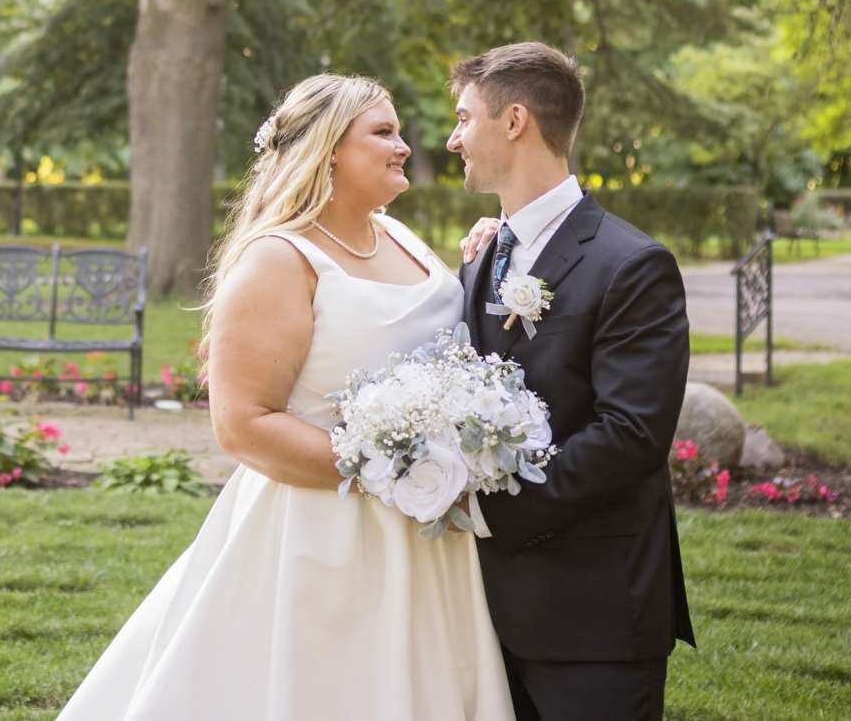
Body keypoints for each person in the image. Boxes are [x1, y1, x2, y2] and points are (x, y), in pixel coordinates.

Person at [58, 73, 514, 720]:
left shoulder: (401, 237)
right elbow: (243, 423)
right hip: (319, 536)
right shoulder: (279, 258)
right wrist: (386, 468)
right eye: (383, 132)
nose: (405, 145)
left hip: (429, 535)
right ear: (329, 150)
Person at [446, 42, 696, 720]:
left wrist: (489, 514)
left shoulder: (632, 264)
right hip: (482, 614)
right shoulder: (482, 257)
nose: (452, 137)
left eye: (465, 117)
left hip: (596, 616)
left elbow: (630, 433)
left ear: (516, 119)